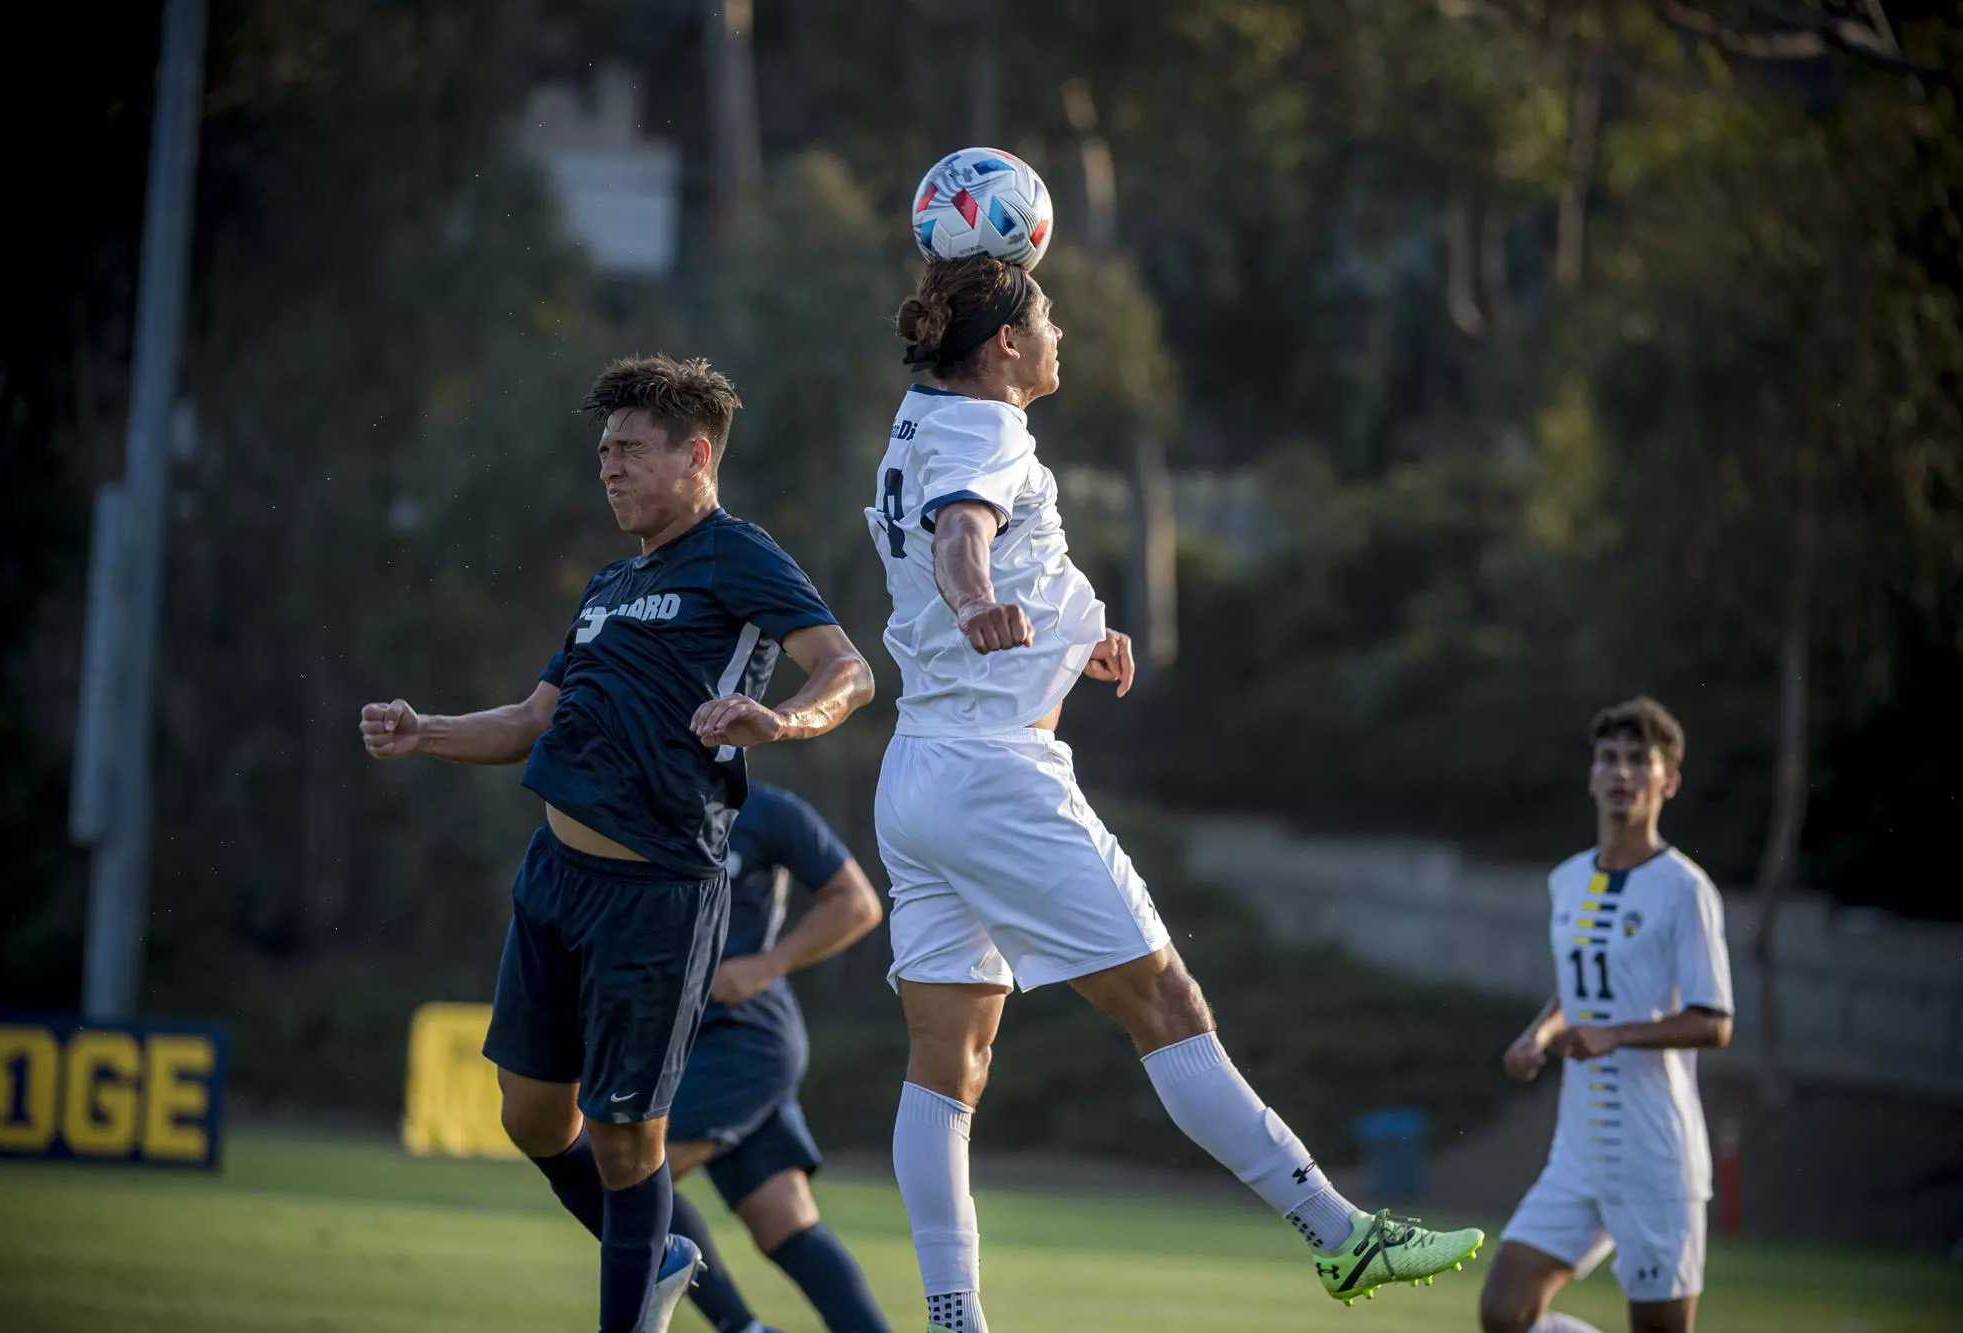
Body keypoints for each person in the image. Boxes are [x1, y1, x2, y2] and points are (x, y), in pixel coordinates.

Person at [864, 255, 1486, 1333]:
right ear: (1005, 342)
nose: (1059, 330)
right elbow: (961, 540)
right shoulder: (981, 429)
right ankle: (1339, 1237)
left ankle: (952, 1318)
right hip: (991, 772)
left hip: (917, 769)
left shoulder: (915, 423)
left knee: (945, 1062)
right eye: (1044, 315)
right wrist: (975, 603)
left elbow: (981, 550)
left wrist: (1069, 632)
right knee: (1167, 1006)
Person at [360, 355, 873, 1333]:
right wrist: (424, 730)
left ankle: (631, 1310)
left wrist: (781, 721)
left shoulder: (736, 555)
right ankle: (662, 1251)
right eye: (602, 452)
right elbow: (529, 719)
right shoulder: (605, 584)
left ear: (696, 456)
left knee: (625, 1138)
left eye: (631, 450)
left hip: (657, 896)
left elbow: (848, 670)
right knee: (528, 1118)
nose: (609, 468)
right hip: (554, 880)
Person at [1478, 698, 1736, 1333]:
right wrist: (1535, 1037)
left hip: (1656, 1154)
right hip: (1579, 1149)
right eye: (1609, 759)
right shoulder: (1568, 880)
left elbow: (1715, 1021)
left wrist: (1615, 1035)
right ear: (1591, 775)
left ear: (1667, 782)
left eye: (1638, 761)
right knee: (1504, 1313)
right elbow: (1576, 991)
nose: (1621, 774)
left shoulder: (1685, 889)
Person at [663, 782, 891, 1333]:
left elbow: (857, 903)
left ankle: (741, 1328)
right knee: (783, 1218)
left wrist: (765, 966)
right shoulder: (634, 804)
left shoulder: (766, 811)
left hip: (746, 1040)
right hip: (678, 1043)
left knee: (630, 1178)